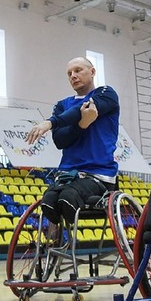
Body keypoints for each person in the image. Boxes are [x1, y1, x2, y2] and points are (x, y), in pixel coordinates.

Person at [24, 56, 119, 224]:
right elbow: (60, 141)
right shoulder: (62, 105)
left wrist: (50, 122)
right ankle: (57, 239)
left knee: (68, 197)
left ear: (92, 72)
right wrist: (82, 125)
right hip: (67, 173)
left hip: (98, 174)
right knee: (48, 201)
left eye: (78, 70)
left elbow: (82, 109)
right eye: (69, 73)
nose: (73, 76)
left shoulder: (106, 94)